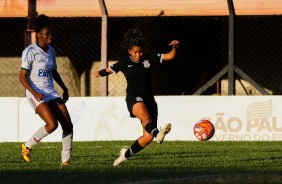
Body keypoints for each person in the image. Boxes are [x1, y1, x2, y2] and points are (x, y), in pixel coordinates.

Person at [94, 28, 179, 166]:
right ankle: (159, 133)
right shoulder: (124, 62)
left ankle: (125, 154)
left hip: (150, 100)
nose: (138, 55)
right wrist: (100, 72)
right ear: (129, 51)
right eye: (135, 52)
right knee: (146, 119)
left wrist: (174, 47)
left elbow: (170, 56)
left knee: (147, 137)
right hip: (134, 98)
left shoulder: (149, 58)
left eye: (140, 52)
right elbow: (110, 69)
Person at [19, 14, 73, 165]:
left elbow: (53, 71)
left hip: (50, 92)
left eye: (51, 33)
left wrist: (64, 87)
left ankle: (66, 161)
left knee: (68, 125)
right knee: (52, 124)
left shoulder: (52, 51)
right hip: (34, 91)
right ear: (38, 35)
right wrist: (34, 93)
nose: (50, 37)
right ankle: (27, 146)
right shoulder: (30, 52)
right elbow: (22, 77)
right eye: (47, 34)